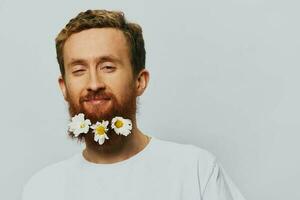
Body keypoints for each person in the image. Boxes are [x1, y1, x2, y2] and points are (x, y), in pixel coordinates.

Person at [21, 9, 246, 200]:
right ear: (64, 87)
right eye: (79, 70)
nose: (94, 83)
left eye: (108, 67)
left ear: (140, 81)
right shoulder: (42, 190)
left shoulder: (196, 171)